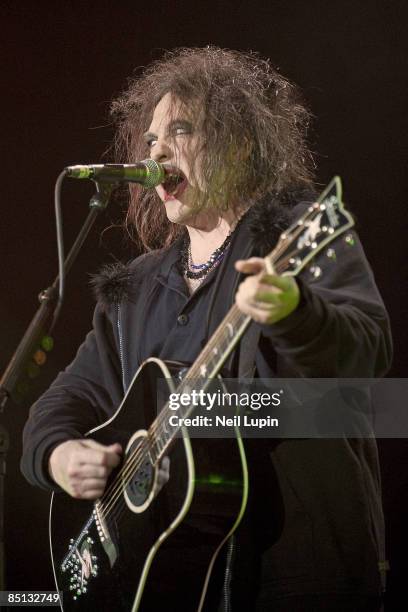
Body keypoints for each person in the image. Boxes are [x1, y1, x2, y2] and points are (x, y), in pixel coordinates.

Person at [21, 47, 392, 611]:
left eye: (181, 130)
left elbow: (370, 355)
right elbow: (64, 400)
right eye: (150, 140)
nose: (157, 151)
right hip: (170, 582)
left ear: (239, 145)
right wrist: (57, 456)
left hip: (293, 571)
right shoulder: (136, 289)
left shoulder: (299, 231)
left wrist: (295, 310)